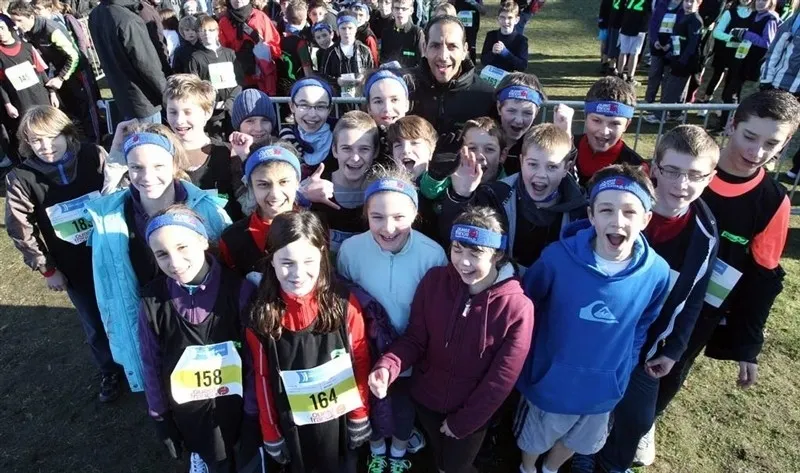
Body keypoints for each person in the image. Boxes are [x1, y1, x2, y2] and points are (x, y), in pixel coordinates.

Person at [647, 90, 800, 458]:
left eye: (772, 144)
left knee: (673, 365)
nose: (757, 151)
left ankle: (645, 422)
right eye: (750, 136)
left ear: (786, 144)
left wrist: (747, 345)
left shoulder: (773, 201)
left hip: (702, 309)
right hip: (646, 284)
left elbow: (764, 277)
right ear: (732, 125)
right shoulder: (688, 164)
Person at [573, 125, 720, 473]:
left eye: (695, 175)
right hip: (597, 334)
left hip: (646, 347)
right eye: (672, 171)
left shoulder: (705, 234)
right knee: (589, 403)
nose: (681, 184)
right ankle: (582, 451)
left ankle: (613, 463)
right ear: (654, 169)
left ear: (711, 178)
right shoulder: (620, 209)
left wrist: (674, 348)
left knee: (637, 417)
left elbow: (694, 297)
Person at [515, 164, 671, 473]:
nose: (617, 221)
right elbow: (528, 305)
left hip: (603, 389)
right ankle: (529, 467)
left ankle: (551, 469)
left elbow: (644, 322)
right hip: (551, 382)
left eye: (629, 212)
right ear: (591, 215)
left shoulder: (657, 272)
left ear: (646, 219)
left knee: (579, 441)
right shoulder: (557, 258)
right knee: (535, 439)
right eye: (606, 210)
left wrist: (624, 365)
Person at [369, 206, 534, 473]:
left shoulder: (517, 308)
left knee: (455, 466)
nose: (463, 262)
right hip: (426, 399)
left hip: (472, 415)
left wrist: (463, 422)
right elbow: (415, 339)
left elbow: (501, 379)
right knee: (438, 458)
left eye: (475, 253)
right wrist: (388, 365)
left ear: (498, 255)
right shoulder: (434, 281)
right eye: (457, 249)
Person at [86, 123, 231, 393]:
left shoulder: (208, 211)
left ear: (174, 164)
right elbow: (107, 288)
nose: (147, 176)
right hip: (150, 327)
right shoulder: (109, 221)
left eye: (158, 166)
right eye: (136, 167)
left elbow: (229, 270)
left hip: (202, 326)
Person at [4, 105, 121, 402]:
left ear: (67, 133)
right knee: (94, 321)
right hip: (72, 265)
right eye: (36, 140)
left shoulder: (94, 155)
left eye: (51, 137)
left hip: (113, 251)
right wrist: (46, 268)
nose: (45, 146)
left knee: (125, 309)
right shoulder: (22, 177)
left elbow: (120, 191)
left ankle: (139, 360)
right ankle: (109, 369)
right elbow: (20, 228)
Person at [138, 205, 264, 472]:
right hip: (189, 413)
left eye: (182, 247)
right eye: (162, 254)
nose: (174, 262)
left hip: (238, 409)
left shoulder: (240, 291)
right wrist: (160, 417)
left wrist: (253, 413)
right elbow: (151, 363)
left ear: (203, 240)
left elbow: (255, 361)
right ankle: (202, 457)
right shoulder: (152, 301)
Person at [245, 210, 373, 473]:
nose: (298, 273)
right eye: (287, 262)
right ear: (271, 259)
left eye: (308, 261)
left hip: (339, 422)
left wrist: (359, 414)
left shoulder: (344, 304)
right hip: (293, 427)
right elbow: (262, 377)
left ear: (322, 255)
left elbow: (360, 359)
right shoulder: (261, 316)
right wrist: (270, 431)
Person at [441, 123, 585, 271]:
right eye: (533, 164)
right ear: (521, 162)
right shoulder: (496, 195)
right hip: (505, 279)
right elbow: (457, 241)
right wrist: (461, 194)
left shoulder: (580, 210)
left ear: (566, 168)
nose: (541, 174)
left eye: (552, 167)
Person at [8, 1, 100, 141]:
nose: (17, 25)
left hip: (77, 72)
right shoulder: (27, 34)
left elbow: (74, 56)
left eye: (19, 20)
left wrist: (61, 78)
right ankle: (78, 142)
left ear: (31, 17)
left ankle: (96, 142)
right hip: (58, 73)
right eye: (14, 21)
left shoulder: (50, 28)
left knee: (88, 109)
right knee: (71, 110)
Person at [404, 14, 495, 153]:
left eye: (452, 46)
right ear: (424, 48)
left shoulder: (486, 96)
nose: (443, 56)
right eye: (435, 46)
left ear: (465, 50)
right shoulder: (404, 88)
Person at [162, 74, 244, 220]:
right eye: (173, 112)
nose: (179, 121)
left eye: (188, 112)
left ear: (207, 112)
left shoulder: (227, 153)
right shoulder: (161, 155)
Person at [218, 140, 303, 275]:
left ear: (297, 182)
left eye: (284, 182)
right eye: (263, 184)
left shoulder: (316, 227)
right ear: (250, 186)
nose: (275, 194)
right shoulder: (232, 239)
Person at [89, 0, 168, 122]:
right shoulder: (128, 20)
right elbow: (147, 66)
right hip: (144, 101)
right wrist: (167, 95)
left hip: (124, 99)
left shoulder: (95, 15)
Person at [0, 19, 55, 164]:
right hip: (20, 100)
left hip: (40, 95)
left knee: (48, 123)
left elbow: (42, 72)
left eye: (2, 28)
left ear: (10, 28)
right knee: (30, 130)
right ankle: (36, 159)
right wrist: (8, 104)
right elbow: (1, 84)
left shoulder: (28, 47)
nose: (0, 33)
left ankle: (56, 151)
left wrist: (52, 92)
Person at [575, 76, 644, 186]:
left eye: (615, 123)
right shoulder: (564, 147)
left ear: (626, 125)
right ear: (585, 117)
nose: (604, 131)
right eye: (597, 120)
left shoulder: (636, 169)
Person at [645, 0, 704, 123]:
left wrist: (682, 60)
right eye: (687, 1)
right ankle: (675, 114)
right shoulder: (685, 17)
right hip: (677, 57)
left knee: (672, 89)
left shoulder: (695, 20)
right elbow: (677, 38)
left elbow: (692, 45)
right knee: (675, 88)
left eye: (692, 2)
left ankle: (660, 116)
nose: (688, 4)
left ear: (698, 3)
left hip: (685, 61)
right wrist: (671, 49)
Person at [188, 14, 244, 139]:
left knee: (235, 140)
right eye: (203, 31)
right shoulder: (195, 57)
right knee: (216, 143)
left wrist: (231, 100)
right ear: (198, 34)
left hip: (232, 109)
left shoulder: (230, 54)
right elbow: (194, 85)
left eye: (211, 30)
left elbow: (240, 80)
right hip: (212, 111)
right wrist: (208, 99)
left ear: (217, 32)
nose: (207, 34)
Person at [218, 0, 282, 95]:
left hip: (262, 78)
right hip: (238, 79)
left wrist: (260, 56)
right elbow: (222, 52)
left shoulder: (260, 17)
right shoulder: (224, 22)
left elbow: (274, 45)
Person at [278, 77, 337, 179]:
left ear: (329, 109)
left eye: (321, 106)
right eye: (304, 105)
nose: (312, 114)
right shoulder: (286, 139)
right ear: (292, 106)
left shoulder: (340, 135)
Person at [493, 72, 547, 176]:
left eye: (527, 113)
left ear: (536, 112)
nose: (519, 120)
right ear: (499, 108)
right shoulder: (483, 138)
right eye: (511, 111)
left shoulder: (540, 145)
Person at [319, 13, 375, 100]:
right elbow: (323, 76)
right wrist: (337, 81)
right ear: (338, 31)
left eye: (350, 28)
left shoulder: (364, 50)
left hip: (360, 98)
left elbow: (371, 72)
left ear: (356, 29)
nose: (347, 32)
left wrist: (363, 78)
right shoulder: (330, 52)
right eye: (343, 28)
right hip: (338, 99)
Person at [645, 0, 684, 104]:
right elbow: (653, 23)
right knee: (654, 74)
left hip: (671, 49)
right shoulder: (662, 3)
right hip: (657, 46)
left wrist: (670, 44)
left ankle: (663, 104)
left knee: (667, 78)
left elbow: (680, 30)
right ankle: (648, 101)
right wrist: (655, 40)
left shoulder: (684, 7)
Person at [480, 0, 528, 72]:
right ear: (498, 18)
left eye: (510, 18)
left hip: (510, 76)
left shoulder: (521, 40)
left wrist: (505, 53)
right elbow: (483, 61)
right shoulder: (491, 35)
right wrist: (492, 53)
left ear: (517, 20)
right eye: (502, 17)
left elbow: (522, 66)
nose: (506, 21)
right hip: (491, 75)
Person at [277, 0, 314, 95]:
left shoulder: (278, 39)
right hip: (299, 88)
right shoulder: (300, 42)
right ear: (305, 18)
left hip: (281, 87)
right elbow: (307, 71)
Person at [380, 0, 424, 67]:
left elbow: (422, 63)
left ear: (411, 11)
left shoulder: (417, 33)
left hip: (411, 72)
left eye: (404, 9)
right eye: (397, 8)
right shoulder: (386, 32)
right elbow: (383, 59)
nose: (400, 12)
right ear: (392, 10)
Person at [616, 0, 651, 84]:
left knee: (623, 51)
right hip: (639, 27)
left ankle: (619, 74)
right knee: (634, 53)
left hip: (626, 24)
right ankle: (630, 77)